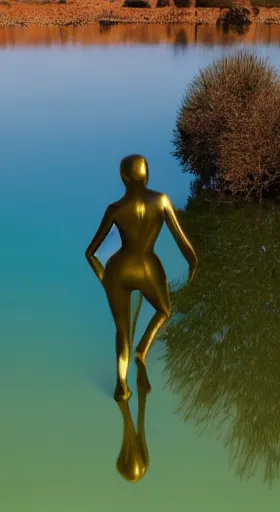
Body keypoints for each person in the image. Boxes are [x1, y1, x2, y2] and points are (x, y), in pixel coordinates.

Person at [85, 154, 198, 401]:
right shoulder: (161, 201)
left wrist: (103, 278)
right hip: (147, 266)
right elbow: (184, 245)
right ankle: (142, 349)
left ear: (123, 178)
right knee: (164, 310)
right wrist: (193, 269)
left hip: (118, 270)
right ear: (146, 175)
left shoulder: (114, 209)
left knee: (121, 331)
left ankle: (121, 385)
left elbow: (90, 253)